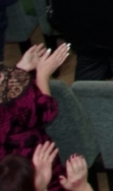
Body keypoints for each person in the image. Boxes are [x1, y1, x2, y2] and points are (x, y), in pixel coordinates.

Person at [0, 43, 73, 190]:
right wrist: (43, 75)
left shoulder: (10, 80)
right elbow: (46, 112)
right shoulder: (13, 86)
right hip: (23, 163)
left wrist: (19, 69)